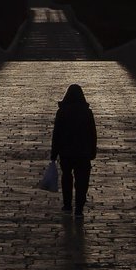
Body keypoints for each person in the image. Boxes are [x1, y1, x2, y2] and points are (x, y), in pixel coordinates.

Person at [50, 83, 97, 218]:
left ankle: (67, 205)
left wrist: (54, 153)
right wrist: (92, 151)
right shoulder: (87, 112)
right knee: (82, 180)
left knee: (66, 177)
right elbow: (92, 133)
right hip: (83, 152)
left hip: (66, 151)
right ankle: (79, 209)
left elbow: (56, 133)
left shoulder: (62, 111)